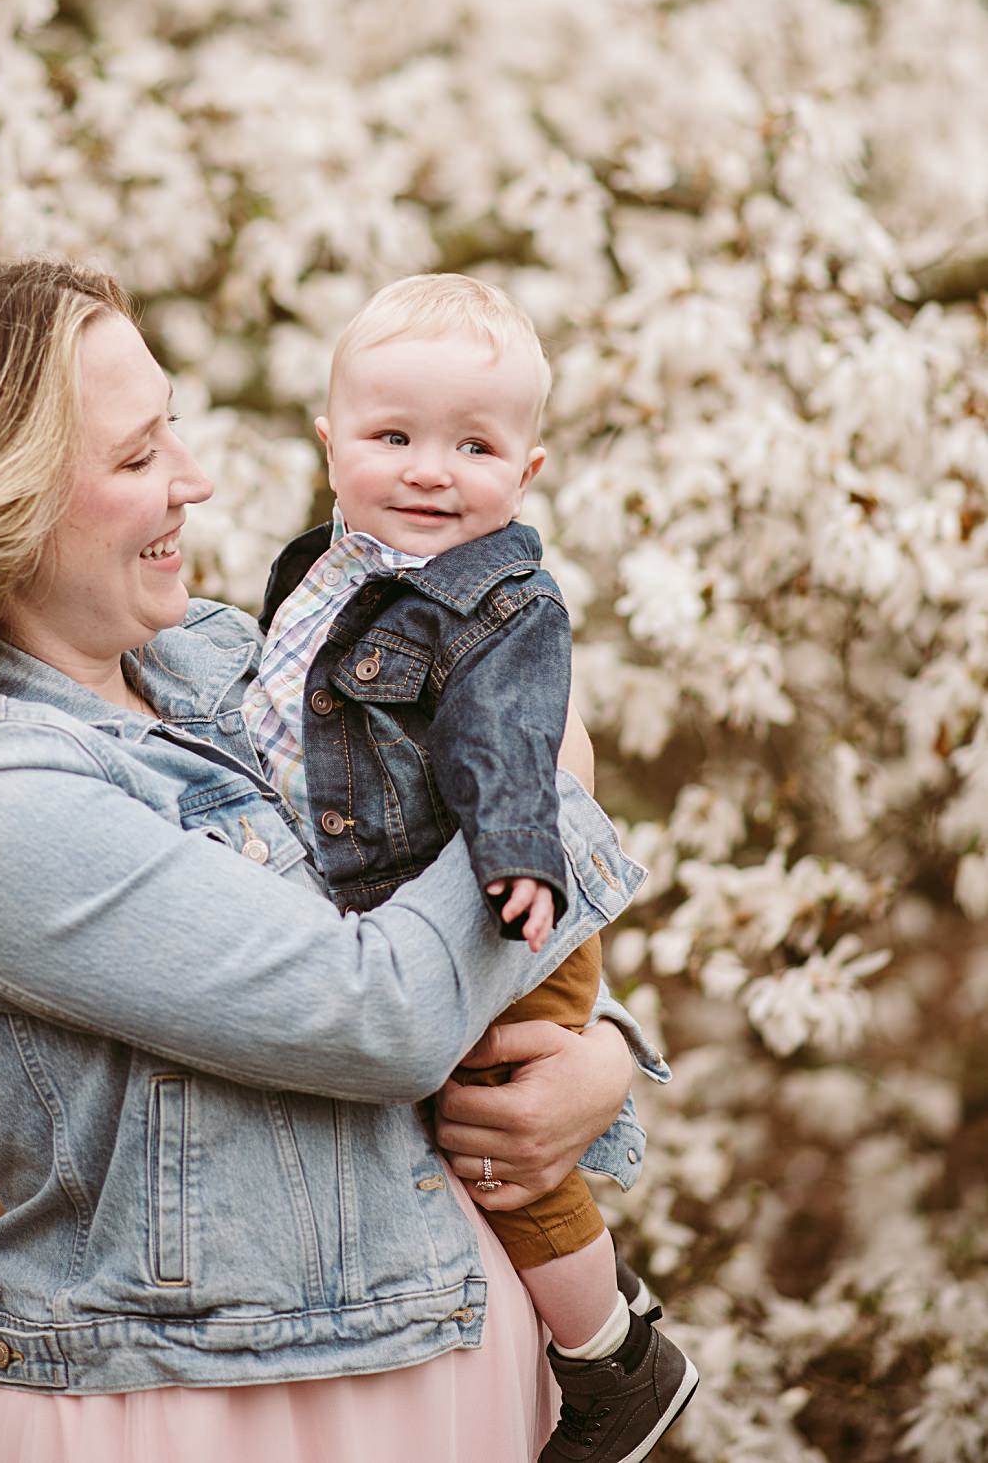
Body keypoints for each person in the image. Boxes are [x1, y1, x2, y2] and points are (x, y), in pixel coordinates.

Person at [0, 260, 656, 1463]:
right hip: (207, 1411)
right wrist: (551, 782)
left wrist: (601, 1055)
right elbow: (383, 1013)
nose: (194, 483)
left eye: (176, 437)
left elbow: (424, 883)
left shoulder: (223, 662)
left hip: (446, 1351)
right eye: (140, 456)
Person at [244, 275, 698, 1462]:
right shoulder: (321, 575)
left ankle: (610, 1356)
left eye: (474, 446)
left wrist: (516, 869)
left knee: (501, 1140)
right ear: (329, 442)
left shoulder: (500, 605)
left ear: (527, 475)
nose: (431, 471)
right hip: (412, 910)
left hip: (511, 904)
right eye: (394, 437)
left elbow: (506, 742)